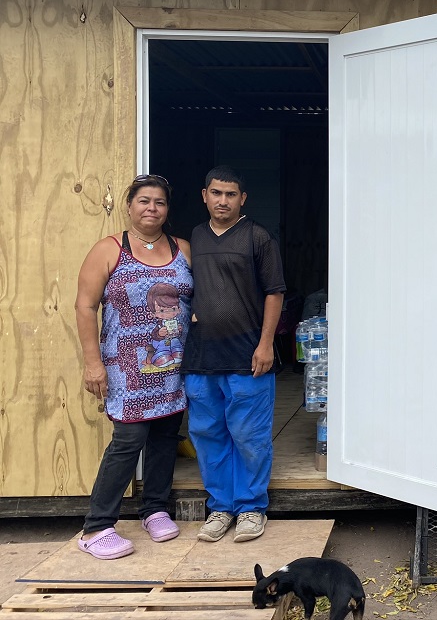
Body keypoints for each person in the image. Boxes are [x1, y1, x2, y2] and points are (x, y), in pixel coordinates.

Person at [75, 174, 193, 560]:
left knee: (164, 437)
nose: (151, 209)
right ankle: (96, 526)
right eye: (144, 201)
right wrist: (93, 364)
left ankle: (154, 509)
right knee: (128, 442)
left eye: (159, 202)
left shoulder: (183, 249)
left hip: (171, 367)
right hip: (126, 370)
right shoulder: (109, 250)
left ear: (167, 209)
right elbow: (85, 306)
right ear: (129, 206)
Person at [181, 165, 286, 543]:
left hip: (247, 355)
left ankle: (252, 507)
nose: (222, 200)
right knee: (208, 434)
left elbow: (275, 292)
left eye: (230, 194)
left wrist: (265, 344)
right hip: (202, 357)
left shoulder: (258, 238)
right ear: (204, 195)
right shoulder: (196, 236)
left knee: (249, 435)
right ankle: (221, 507)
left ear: (242, 199)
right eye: (216, 193)